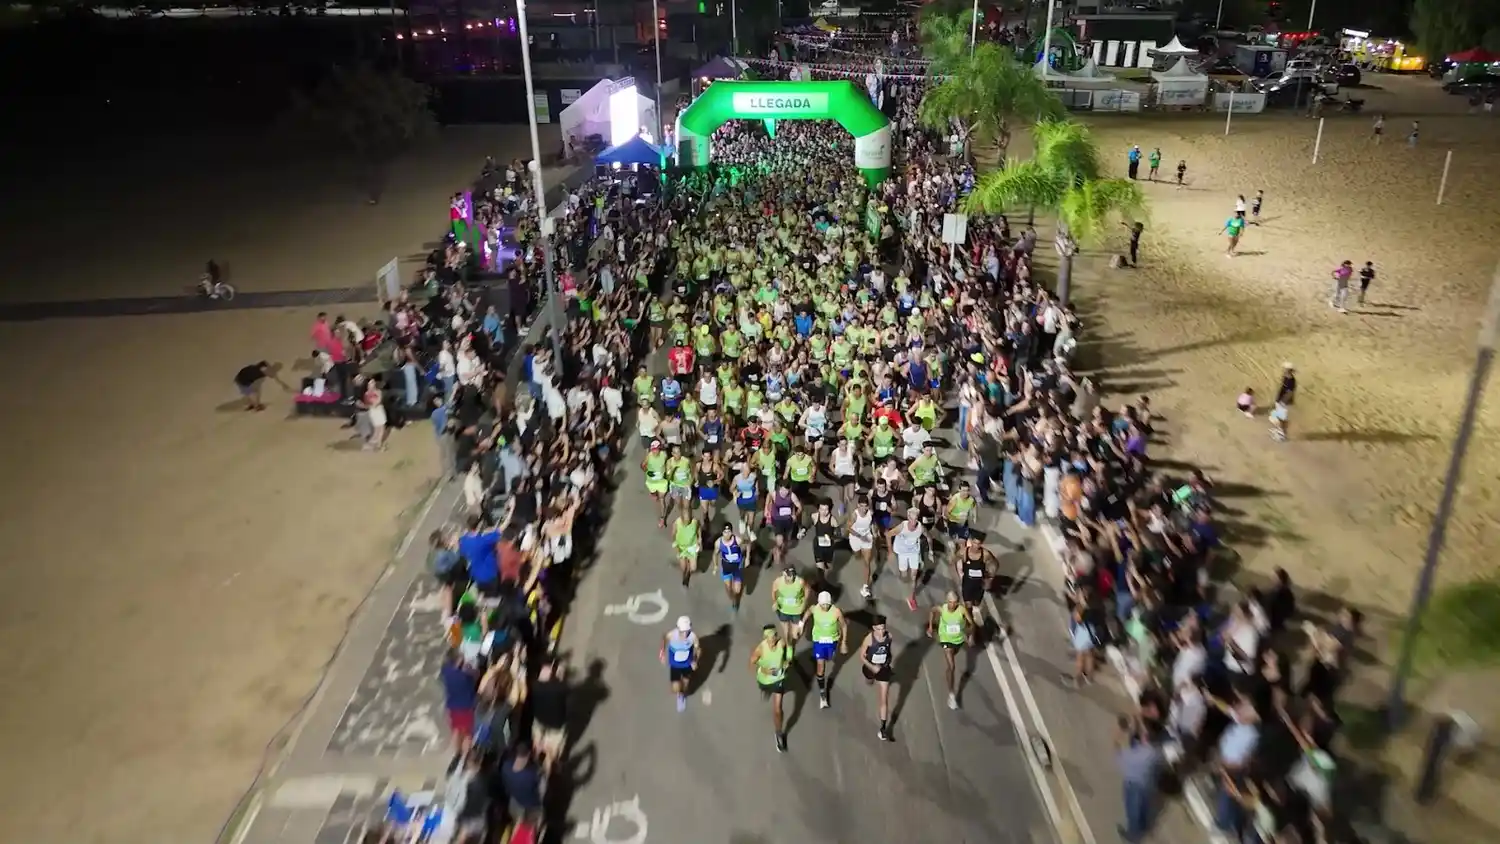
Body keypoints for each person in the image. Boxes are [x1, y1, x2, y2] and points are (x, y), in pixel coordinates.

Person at [749, 624, 794, 753]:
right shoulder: (761, 649)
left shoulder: (781, 643)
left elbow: (790, 646)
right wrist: (763, 668)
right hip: (764, 680)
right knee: (765, 690)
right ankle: (765, 691)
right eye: (769, 637)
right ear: (765, 638)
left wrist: (789, 659)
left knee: (778, 709)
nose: (772, 640)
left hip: (779, 679)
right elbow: (752, 661)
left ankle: (779, 734)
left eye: (774, 636)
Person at [927, 591, 974, 710]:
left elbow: (972, 624)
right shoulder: (942, 609)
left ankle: (949, 673)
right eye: (950, 602)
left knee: (953, 656)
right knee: (952, 666)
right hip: (946, 639)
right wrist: (931, 626)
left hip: (958, 640)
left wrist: (969, 635)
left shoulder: (962, 610)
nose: (952, 605)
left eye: (955, 602)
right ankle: (952, 695)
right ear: (946, 601)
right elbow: (932, 611)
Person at [801, 591, 848, 710]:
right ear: (819, 603)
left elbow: (844, 626)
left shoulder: (836, 612)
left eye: (827, 604)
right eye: (823, 605)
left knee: (829, 658)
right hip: (818, 641)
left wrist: (843, 642)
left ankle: (821, 662)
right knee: (821, 667)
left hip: (832, 641)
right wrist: (801, 624)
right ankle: (823, 694)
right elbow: (808, 612)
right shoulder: (815, 609)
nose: (825, 607)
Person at [858, 614, 897, 742]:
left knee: (884, 699)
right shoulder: (869, 639)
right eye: (879, 629)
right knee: (869, 680)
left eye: (883, 628)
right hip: (870, 668)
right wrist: (872, 667)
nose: (882, 631)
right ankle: (869, 680)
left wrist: (887, 662)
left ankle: (883, 728)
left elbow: (888, 651)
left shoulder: (889, 637)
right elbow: (862, 656)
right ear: (874, 628)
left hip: (883, 669)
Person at [955, 535, 996, 632]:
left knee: (976, 603)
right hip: (967, 583)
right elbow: (953, 561)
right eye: (974, 543)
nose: (976, 546)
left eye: (978, 544)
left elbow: (995, 564)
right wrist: (958, 575)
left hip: (979, 584)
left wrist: (990, 578)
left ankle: (972, 617)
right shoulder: (963, 552)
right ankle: (970, 625)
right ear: (971, 542)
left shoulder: (985, 554)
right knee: (968, 606)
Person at [888, 507, 926, 611]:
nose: (914, 521)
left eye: (916, 519)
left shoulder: (920, 527)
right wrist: (890, 551)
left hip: (914, 552)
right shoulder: (902, 527)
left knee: (913, 576)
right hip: (902, 553)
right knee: (904, 576)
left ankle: (911, 598)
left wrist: (930, 550)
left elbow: (929, 536)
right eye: (912, 519)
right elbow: (888, 534)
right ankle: (904, 588)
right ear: (908, 517)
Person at [661, 615, 701, 712]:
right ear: (678, 628)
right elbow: (664, 639)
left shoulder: (693, 637)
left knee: (685, 685)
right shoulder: (671, 635)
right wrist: (662, 653)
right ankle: (679, 692)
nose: (685, 634)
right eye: (683, 631)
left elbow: (698, 649)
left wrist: (695, 661)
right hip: (675, 666)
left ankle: (681, 696)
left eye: (687, 631)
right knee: (675, 688)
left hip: (687, 665)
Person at [764, 481, 803, 568]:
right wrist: (766, 508)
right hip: (777, 520)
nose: (783, 493)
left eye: (786, 491)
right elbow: (768, 495)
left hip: (788, 521)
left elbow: (799, 506)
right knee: (780, 540)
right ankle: (776, 556)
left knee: (785, 541)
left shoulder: (792, 495)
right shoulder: (775, 494)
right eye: (782, 490)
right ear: (779, 489)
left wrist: (795, 515)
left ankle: (778, 551)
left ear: (789, 490)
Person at [847, 496, 878, 600]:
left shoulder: (871, 513)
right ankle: (857, 554)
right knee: (857, 555)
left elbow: (872, 522)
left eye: (865, 506)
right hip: (855, 538)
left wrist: (874, 531)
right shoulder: (854, 515)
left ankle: (865, 587)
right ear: (858, 505)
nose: (864, 509)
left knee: (867, 562)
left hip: (867, 538)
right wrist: (860, 536)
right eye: (861, 506)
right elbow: (849, 528)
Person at [771, 565, 809, 646]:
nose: (791, 578)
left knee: (795, 635)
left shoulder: (800, 582)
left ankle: (792, 643)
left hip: (797, 611)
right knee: (786, 631)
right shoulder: (778, 582)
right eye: (788, 576)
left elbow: (807, 590)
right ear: (784, 574)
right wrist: (775, 602)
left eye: (792, 575)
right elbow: (773, 592)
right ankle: (789, 647)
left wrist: (804, 603)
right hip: (783, 610)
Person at [715, 523, 746, 611]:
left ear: (732, 532)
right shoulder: (718, 543)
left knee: (737, 590)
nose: (727, 534)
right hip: (726, 568)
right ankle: (733, 600)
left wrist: (747, 558)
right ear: (722, 532)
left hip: (737, 567)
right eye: (725, 532)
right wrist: (715, 565)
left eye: (729, 532)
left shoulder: (738, 540)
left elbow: (748, 544)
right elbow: (715, 554)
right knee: (728, 588)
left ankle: (736, 599)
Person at [671, 509, 701, 589]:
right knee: (683, 567)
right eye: (685, 520)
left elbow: (698, 528)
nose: (687, 522)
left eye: (688, 520)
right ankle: (685, 575)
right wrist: (675, 545)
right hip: (681, 547)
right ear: (682, 518)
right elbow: (673, 534)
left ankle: (688, 573)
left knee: (693, 568)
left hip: (692, 547)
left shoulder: (695, 521)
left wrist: (699, 538)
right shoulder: (677, 523)